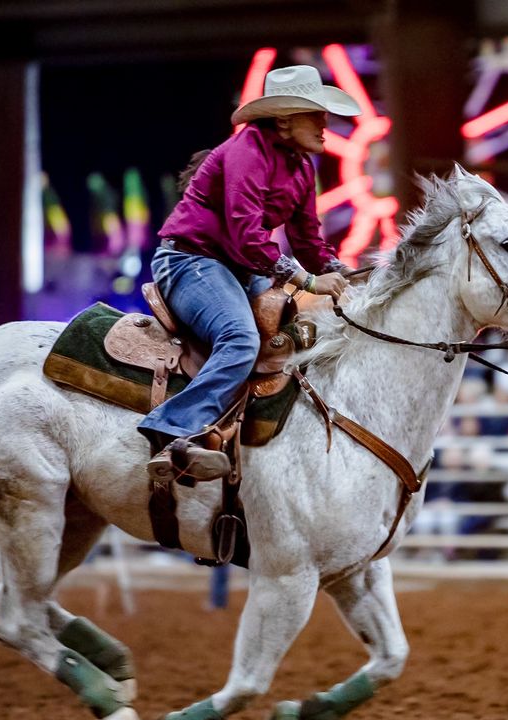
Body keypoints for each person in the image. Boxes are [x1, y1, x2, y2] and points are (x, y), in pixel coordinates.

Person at [138, 65, 360, 481]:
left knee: (296, 337)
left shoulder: (301, 167)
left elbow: (309, 240)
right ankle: (171, 430)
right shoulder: (246, 152)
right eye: (317, 114)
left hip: (239, 267)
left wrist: (342, 272)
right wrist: (310, 282)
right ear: (284, 119)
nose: (326, 124)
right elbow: (245, 235)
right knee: (240, 340)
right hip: (191, 262)